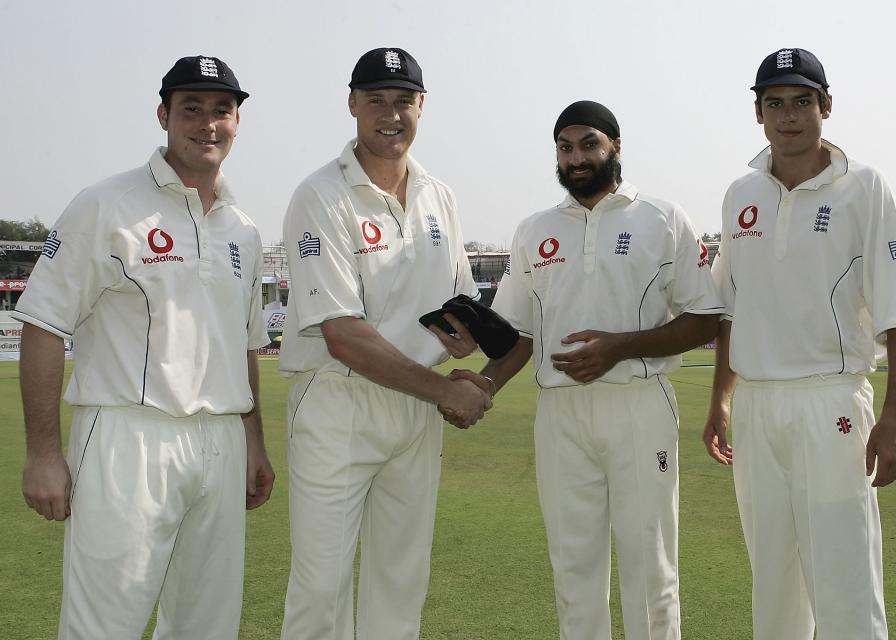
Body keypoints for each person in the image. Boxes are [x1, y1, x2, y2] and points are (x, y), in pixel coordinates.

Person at [439, 101, 722, 639]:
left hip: (638, 404)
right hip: (561, 414)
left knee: (651, 569)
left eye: (589, 144)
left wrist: (621, 347)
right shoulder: (534, 230)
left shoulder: (662, 218)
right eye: (565, 148)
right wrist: (486, 383)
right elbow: (520, 334)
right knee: (574, 570)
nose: (576, 158)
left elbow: (704, 318)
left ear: (615, 146)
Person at [16, 55, 274, 639]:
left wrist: (253, 442)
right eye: (191, 109)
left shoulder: (244, 228)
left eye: (222, 111)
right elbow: (42, 323)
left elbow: (246, 347)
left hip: (221, 442)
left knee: (206, 625)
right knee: (104, 626)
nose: (208, 123)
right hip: (128, 438)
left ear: (237, 123)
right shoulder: (106, 204)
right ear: (163, 114)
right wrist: (42, 453)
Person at [702, 48, 896, 639]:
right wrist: (721, 400)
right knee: (773, 580)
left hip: (830, 402)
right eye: (774, 103)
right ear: (757, 113)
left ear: (826, 105)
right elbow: (732, 310)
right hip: (757, 408)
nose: (789, 116)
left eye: (802, 101)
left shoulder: (863, 187)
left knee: (845, 579)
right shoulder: (740, 195)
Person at [278, 47, 490, 640]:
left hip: (415, 410)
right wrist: (446, 391)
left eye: (403, 101)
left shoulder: (439, 195)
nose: (390, 114)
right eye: (376, 100)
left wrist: (467, 353)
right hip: (338, 406)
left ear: (423, 106)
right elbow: (343, 336)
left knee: (400, 584)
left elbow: (457, 318)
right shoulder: (320, 195)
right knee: (321, 589)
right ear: (352, 105)